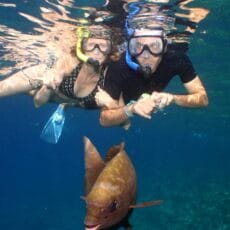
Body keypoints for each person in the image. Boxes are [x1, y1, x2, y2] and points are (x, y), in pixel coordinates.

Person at [96, 25, 208, 127]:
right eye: (138, 46)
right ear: (131, 47)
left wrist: (173, 98)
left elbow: (203, 99)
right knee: (120, 117)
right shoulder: (119, 65)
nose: (146, 55)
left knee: (182, 43)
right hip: (125, 99)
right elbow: (104, 120)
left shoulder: (176, 58)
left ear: (164, 47)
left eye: (155, 46)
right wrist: (131, 109)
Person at [0, 24, 119, 109]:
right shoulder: (70, 63)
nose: (96, 51)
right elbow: (38, 103)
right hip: (40, 79)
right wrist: (48, 86)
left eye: (103, 46)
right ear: (83, 47)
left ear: (110, 50)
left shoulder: (110, 73)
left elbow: (123, 119)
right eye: (91, 45)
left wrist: (110, 103)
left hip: (63, 99)